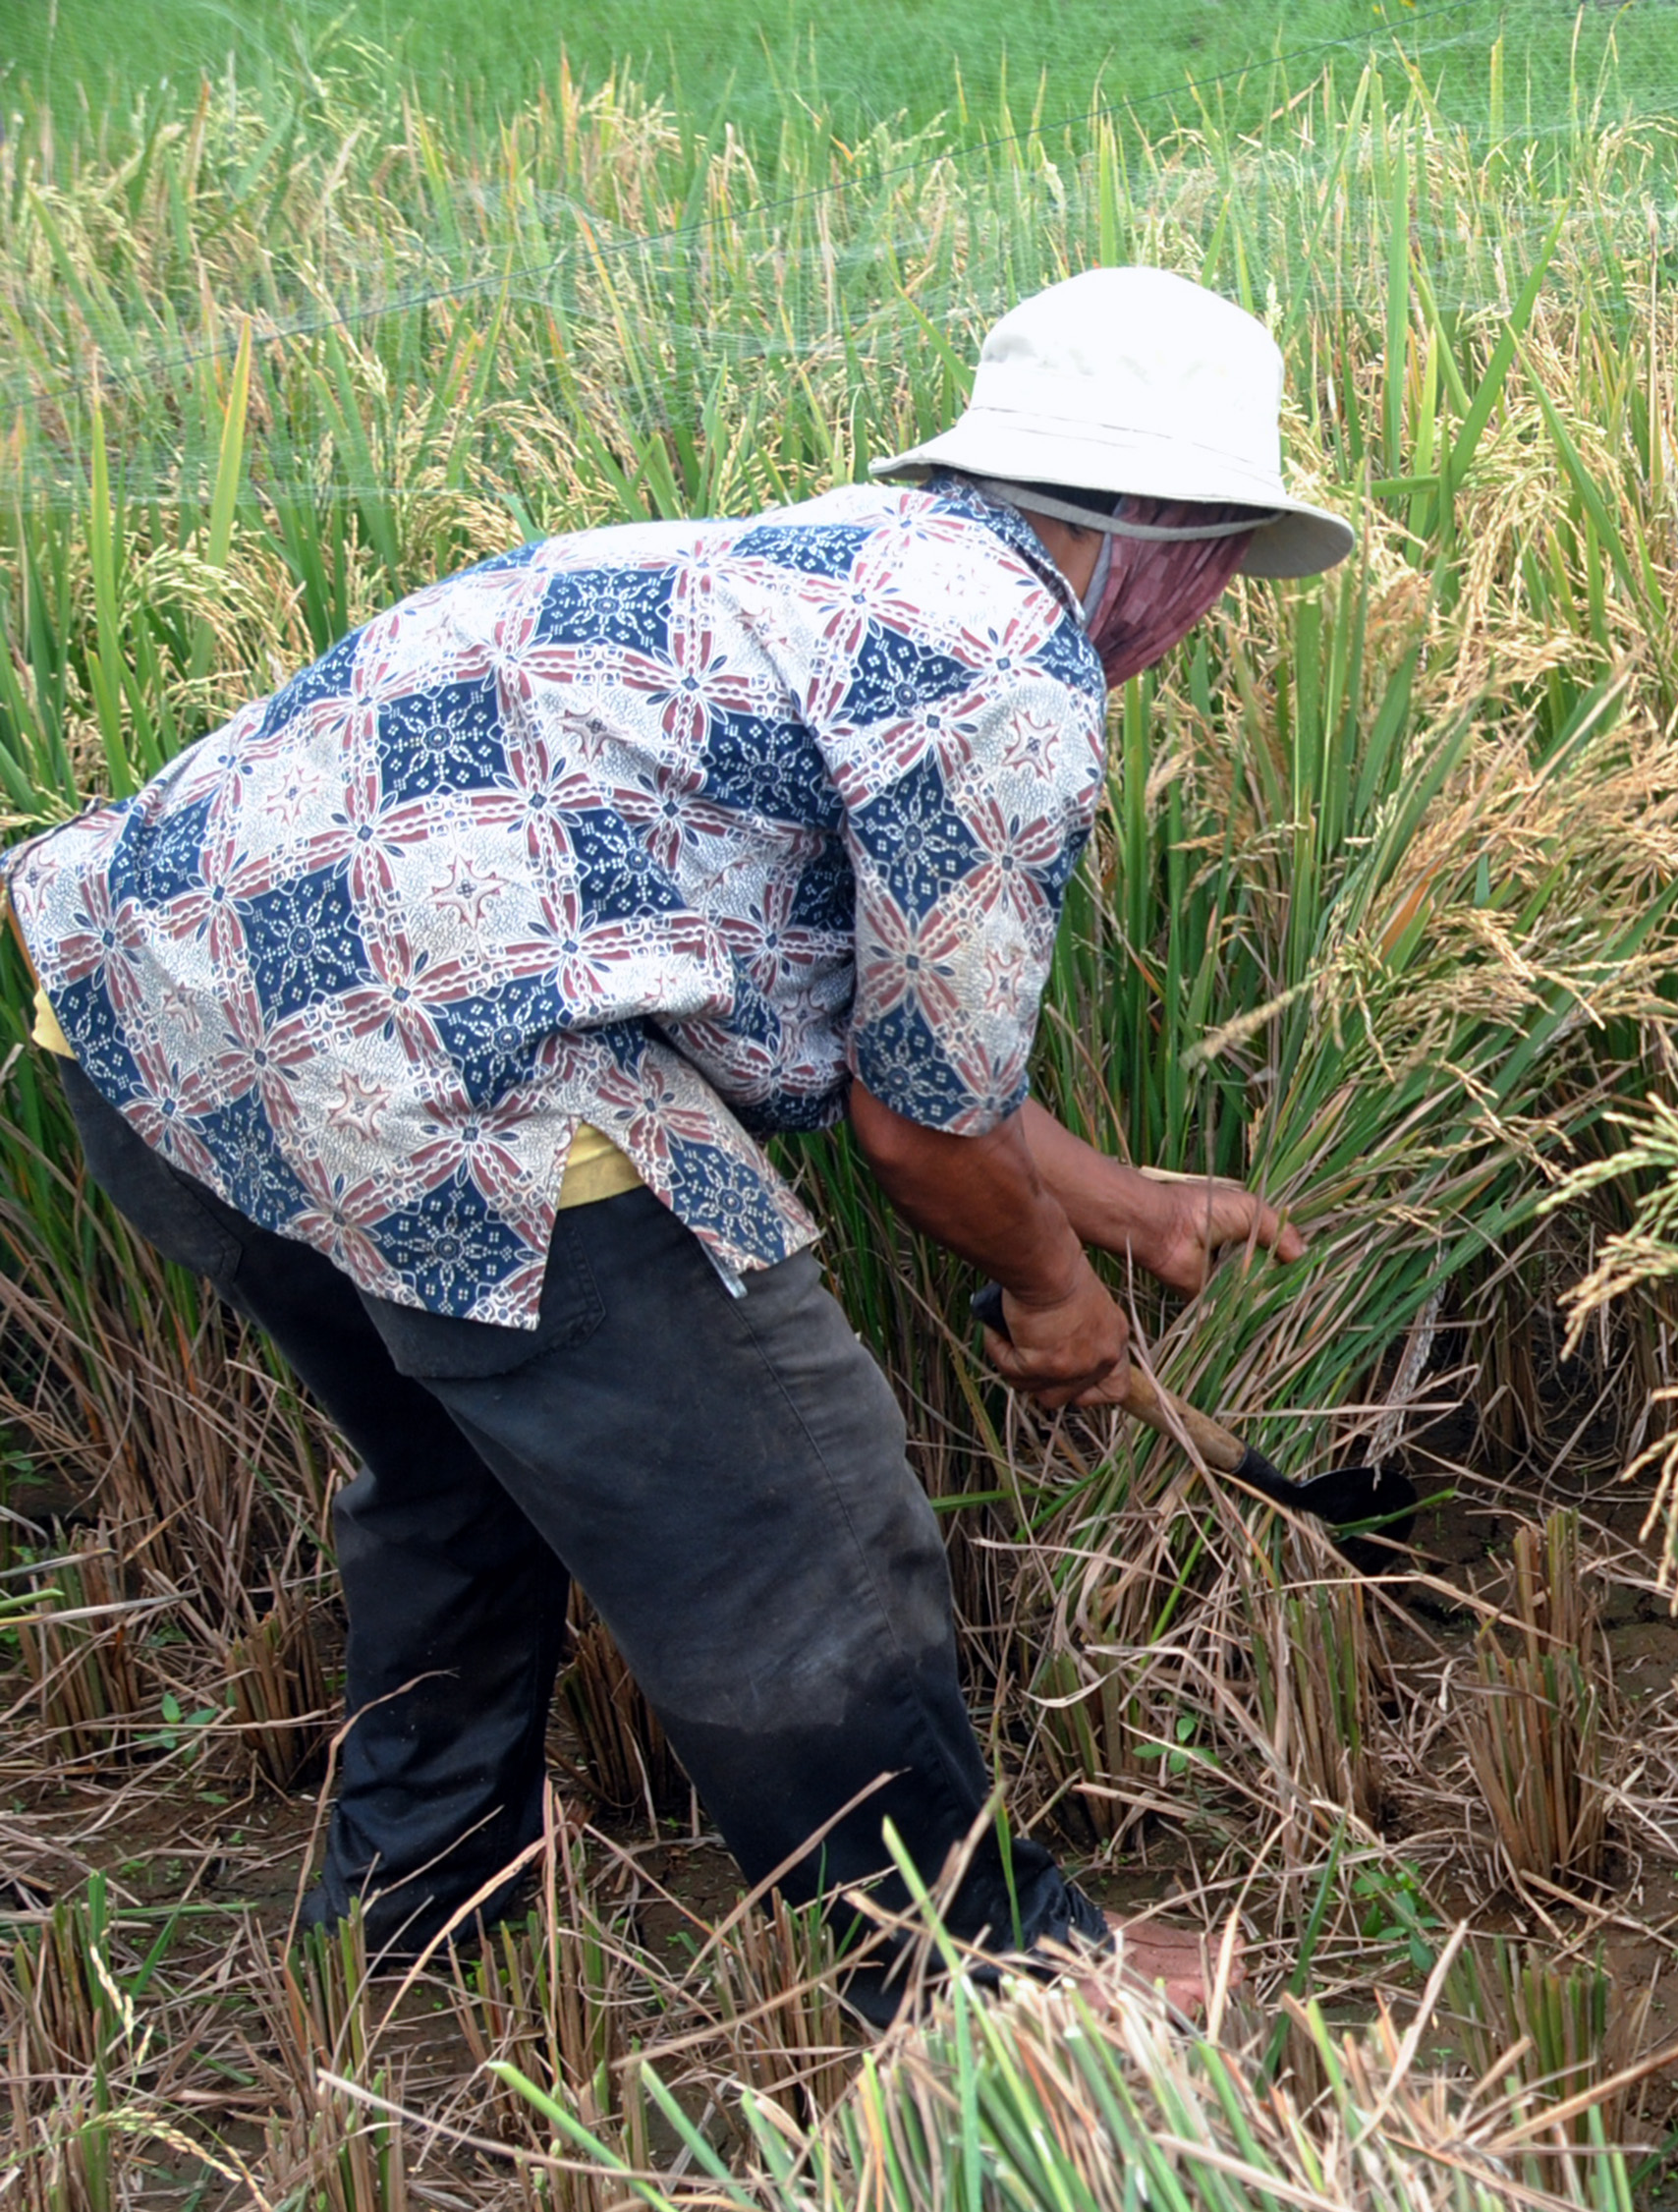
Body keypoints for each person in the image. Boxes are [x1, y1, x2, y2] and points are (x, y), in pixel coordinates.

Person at [4, 267, 1356, 2021]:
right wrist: (1054, 1294)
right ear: (1156, 528)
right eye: (1227, 560)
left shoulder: (845, 558)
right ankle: (992, 1973)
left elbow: (922, 1042)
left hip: (156, 1002)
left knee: (458, 1470)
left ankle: (413, 1919)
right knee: (789, 1497)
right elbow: (919, 1134)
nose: (1217, 605)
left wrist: (1130, 1210)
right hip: (430, 1067)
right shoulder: (1006, 673)